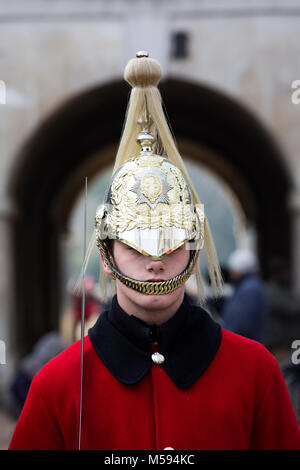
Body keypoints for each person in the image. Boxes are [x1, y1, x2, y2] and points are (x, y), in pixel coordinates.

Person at [9, 52, 300, 451]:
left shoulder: (256, 372)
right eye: (135, 243)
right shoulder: (56, 383)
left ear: (193, 252)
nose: (155, 259)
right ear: (107, 256)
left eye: (171, 240)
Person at [221, 248, 269, 344]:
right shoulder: (250, 286)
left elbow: (239, 323)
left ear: (240, 269)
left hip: (245, 346)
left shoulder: (249, 289)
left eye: (233, 269)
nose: (230, 272)